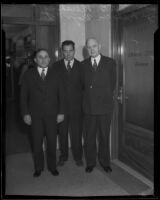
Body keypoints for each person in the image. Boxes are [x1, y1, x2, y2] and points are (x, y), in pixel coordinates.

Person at [20, 49, 65, 177]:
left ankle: (52, 167)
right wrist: (25, 114)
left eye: (46, 57)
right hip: (35, 116)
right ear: (35, 60)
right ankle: (38, 167)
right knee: (37, 143)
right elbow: (23, 97)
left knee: (51, 142)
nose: (43, 59)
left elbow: (61, 95)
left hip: (52, 115)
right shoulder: (28, 74)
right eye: (40, 57)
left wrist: (61, 112)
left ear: (49, 59)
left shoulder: (56, 74)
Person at [82, 38, 116, 173]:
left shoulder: (110, 62)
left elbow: (112, 84)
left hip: (105, 107)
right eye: (89, 47)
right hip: (89, 107)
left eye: (94, 46)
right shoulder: (83, 65)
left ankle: (105, 162)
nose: (92, 49)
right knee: (89, 136)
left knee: (104, 136)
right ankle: (90, 162)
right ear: (86, 49)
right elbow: (82, 87)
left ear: (99, 46)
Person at [53, 40, 83, 167]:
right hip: (61, 108)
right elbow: (53, 89)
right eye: (65, 51)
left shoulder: (81, 66)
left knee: (76, 134)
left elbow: (84, 88)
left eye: (70, 50)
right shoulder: (55, 66)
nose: (68, 54)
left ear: (74, 51)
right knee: (63, 134)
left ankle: (78, 157)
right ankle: (63, 156)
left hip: (77, 108)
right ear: (62, 51)